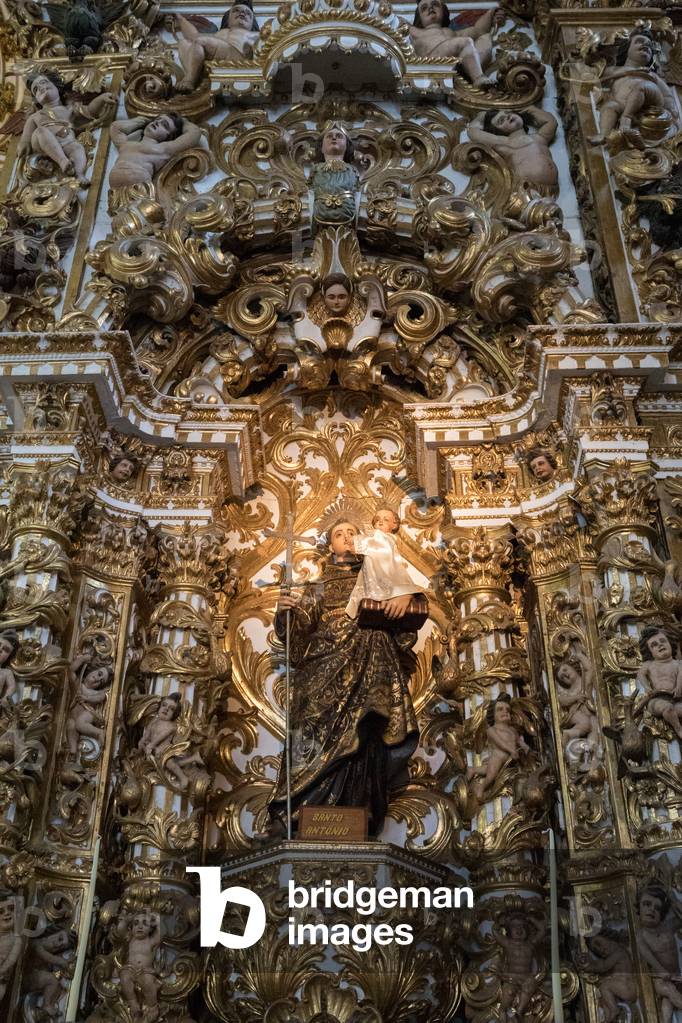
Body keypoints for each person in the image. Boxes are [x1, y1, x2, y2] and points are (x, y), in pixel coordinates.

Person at [264, 517, 420, 838]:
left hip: (370, 668)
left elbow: (408, 625)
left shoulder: (381, 577)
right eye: (339, 534)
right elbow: (297, 638)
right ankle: (297, 810)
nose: (347, 538)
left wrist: (405, 598)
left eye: (353, 532)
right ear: (329, 545)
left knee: (364, 735)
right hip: (322, 672)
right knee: (312, 733)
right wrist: (286, 612)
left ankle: (357, 810)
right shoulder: (317, 586)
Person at [18, 70, 115, 187]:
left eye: (44, 82)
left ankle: (78, 174)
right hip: (42, 143)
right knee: (41, 131)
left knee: (78, 148)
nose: (41, 88)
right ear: (36, 100)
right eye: (36, 89)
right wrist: (24, 144)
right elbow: (26, 137)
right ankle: (62, 161)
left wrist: (101, 99)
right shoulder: (35, 116)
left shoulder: (69, 108)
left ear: (57, 86)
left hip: (66, 141)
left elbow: (89, 111)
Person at [591, 30, 678, 144]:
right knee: (610, 107)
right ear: (627, 49)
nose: (645, 46)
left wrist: (671, 111)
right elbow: (591, 75)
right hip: (622, 103)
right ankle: (603, 135)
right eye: (639, 42)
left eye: (649, 45)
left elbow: (667, 96)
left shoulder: (651, 75)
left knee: (641, 87)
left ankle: (626, 119)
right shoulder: (615, 70)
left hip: (651, 100)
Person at [346, 507, 429, 620]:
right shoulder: (380, 537)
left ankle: (388, 594)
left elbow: (365, 542)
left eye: (385, 520)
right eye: (377, 520)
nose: (380, 522)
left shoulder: (381, 537)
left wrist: (353, 540)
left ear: (394, 525)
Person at [409, 0, 505, 86]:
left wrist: (491, 13)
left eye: (435, 4)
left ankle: (470, 70)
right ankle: (478, 77)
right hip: (431, 63)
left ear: (443, 10)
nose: (430, 8)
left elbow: (478, 30)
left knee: (485, 37)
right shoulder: (416, 32)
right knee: (464, 42)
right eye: (424, 8)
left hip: (457, 63)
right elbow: (396, 23)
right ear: (419, 17)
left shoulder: (452, 33)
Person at [468, 107, 559, 196]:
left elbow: (551, 122)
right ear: (496, 132)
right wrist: (482, 115)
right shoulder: (505, 143)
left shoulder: (539, 137)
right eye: (501, 120)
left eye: (508, 113)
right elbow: (473, 132)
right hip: (529, 189)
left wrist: (531, 109)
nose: (508, 117)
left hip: (552, 189)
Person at [175, 1, 260, 93]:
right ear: (228, 18)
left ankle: (190, 80)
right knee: (184, 43)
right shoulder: (220, 33)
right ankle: (196, 74)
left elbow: (263, 45)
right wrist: (180, 19)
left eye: (248, 13)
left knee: (201, 41)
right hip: (216, 57)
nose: (242, 13)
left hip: (238, 57)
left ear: (252, 23)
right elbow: (193, 36)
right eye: (236, 10)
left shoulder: (253, 34)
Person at [109, 114, 202, 189]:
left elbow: (194, 133)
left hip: (139, 189)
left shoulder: (163, 150)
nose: (157, 122)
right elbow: (115, 128)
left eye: (164, 125)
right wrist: (140, 121)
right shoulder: (127, 144)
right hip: (115, 190)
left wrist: (184, 121)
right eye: (157, 119)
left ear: (169, 136)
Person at [467, 693, 529, 802]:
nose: (505, 711)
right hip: (497, 757)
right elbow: (500, 742)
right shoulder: (491, 730)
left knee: (488, 770)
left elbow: (519, 741)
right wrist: (511, 750)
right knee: (491, 775)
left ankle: (472, 770)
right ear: (492, 714)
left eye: (507, 710)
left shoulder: (513, 730)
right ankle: (481, 788)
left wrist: (525, 747)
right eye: (500, 709)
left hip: (511, 759)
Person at [637, 884, 682, 1023]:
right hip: (661, 979)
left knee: (666, 1008)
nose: (652, 909)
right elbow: (650, 960)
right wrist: (663, 972)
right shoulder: (641, 937)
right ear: (638, 908)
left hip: (677, 975)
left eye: (657, 908)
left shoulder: (667, 927)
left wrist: (673, 900)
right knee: (669, 992)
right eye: (647, 904)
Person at [576, 930, 638, 1023]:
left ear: (609, 937)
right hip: (622, 988)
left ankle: (614, 1010)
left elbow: (603, 966)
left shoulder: (619, 952)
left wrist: (589, 967)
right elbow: (601, 964)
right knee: (604, 999)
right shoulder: (613, 955)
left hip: (628, 987)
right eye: (595, 949)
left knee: (604, 986)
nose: (599, 949)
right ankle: (608, 1017)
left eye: (598, 943)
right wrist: (588, 962)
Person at [311, 123, 359, 230]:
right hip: (321, 210)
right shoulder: (316, 169)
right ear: (322, 147)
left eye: (339, 136)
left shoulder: (352, 170)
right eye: (329, 136)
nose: (334, 138)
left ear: (347, 146)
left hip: (347, 210)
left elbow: (356, 189)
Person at [637, 626, 682, 740]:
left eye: (663, 641)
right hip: (656, 699)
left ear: (670, 644)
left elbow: (681, 676)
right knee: (667, 708)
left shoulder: (677, 663)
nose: (660, 645)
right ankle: (678, 729)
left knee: (675, 709)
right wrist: (647, 688)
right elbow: (640, 675)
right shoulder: (649, 664)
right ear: (650, 652)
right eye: (654, 645)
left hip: (675, 699)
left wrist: (678, 688)